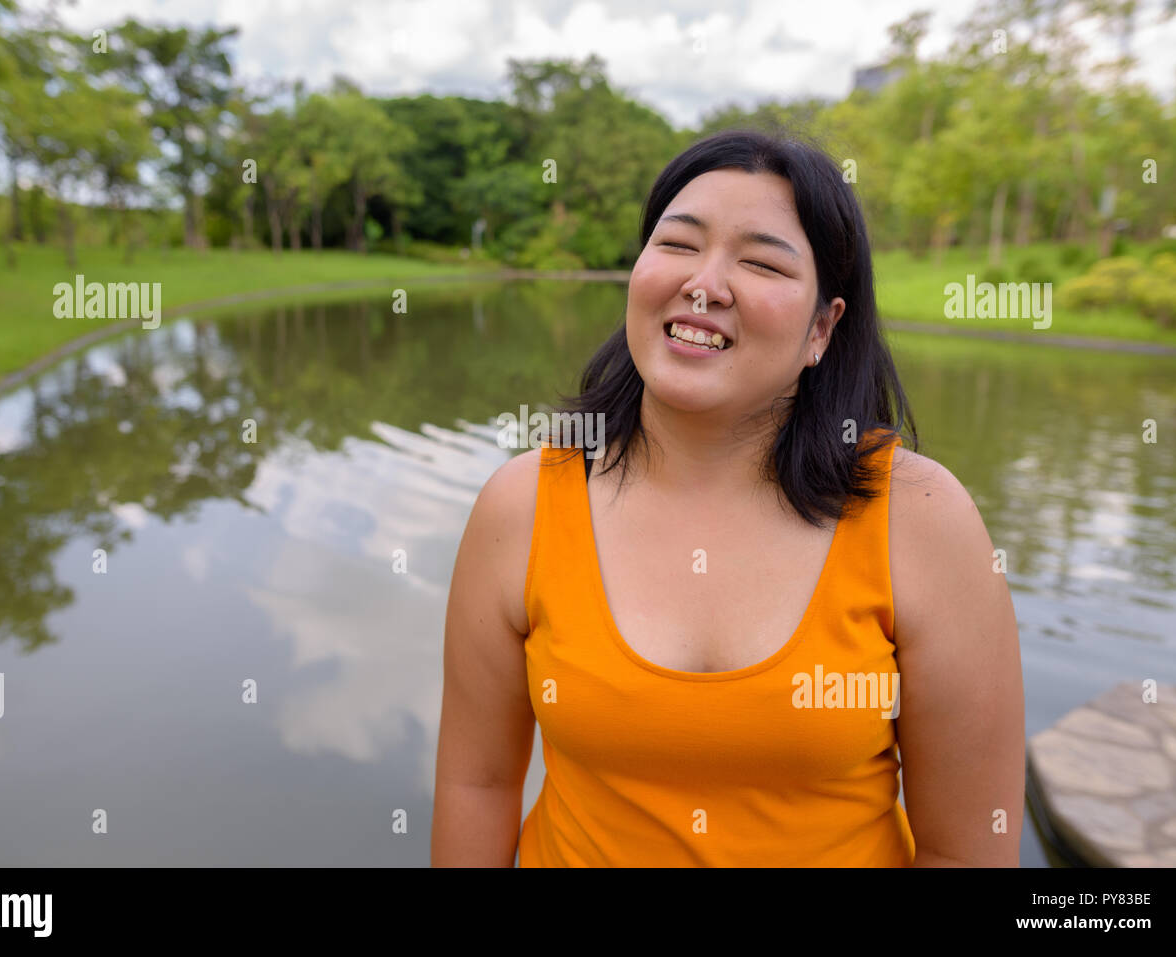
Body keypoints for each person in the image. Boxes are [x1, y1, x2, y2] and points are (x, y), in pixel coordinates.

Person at [431, 129, 1025, 867]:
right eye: (678, 245)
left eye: (761, 261)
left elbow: (968, 848)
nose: (705, 283)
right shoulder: (522, 504)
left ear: (822, 328)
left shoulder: (921, 516)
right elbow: (476, 784)